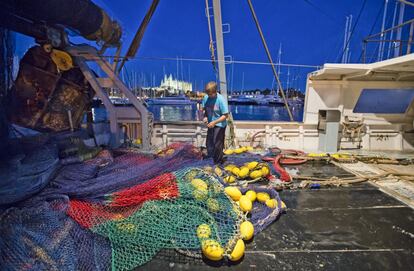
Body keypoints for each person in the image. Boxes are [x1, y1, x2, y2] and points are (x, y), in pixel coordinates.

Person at [201, 81, 229, 164]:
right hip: (210, 124)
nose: (209, 96)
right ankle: (211, 158)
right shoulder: (206, 97)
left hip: (220, 124)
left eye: (211, 95)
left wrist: (214, 122)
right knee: (209, 143)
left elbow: (225, 115)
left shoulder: (221, 100)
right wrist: (205, 117)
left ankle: (218, 162)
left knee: (217, 144)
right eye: (208, 94)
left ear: (215, 91)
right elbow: (205, 110)